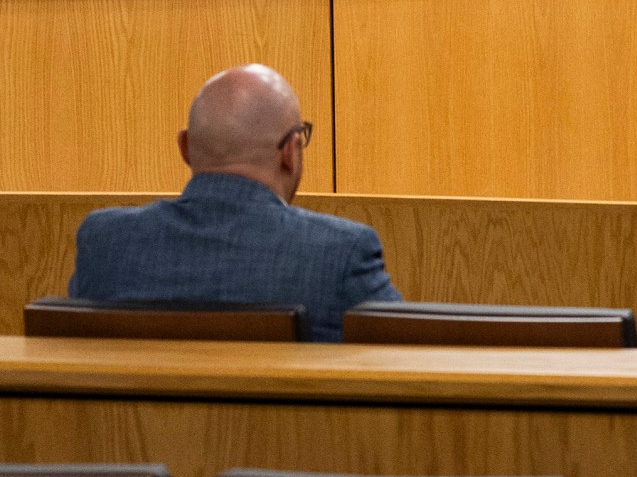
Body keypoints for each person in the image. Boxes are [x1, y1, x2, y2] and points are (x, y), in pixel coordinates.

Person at [67, 65, 399, 343]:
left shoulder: (105, 241)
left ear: (185, 147)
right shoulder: (341, 252)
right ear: (290, 152)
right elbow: (409, 362)